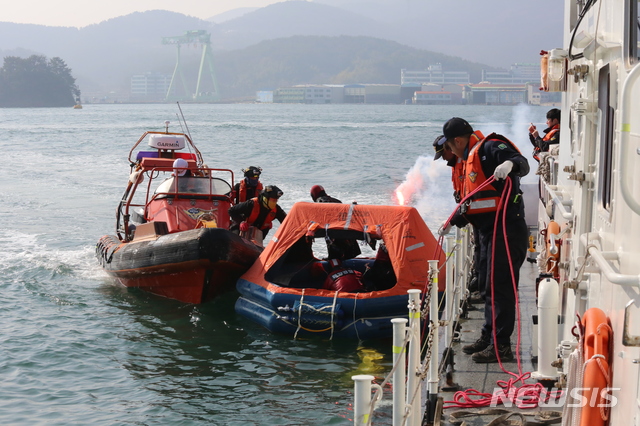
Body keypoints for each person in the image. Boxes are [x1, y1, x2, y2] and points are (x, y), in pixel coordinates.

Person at [438, 117, 529, 363]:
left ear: (457, 141)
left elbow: (523, 163)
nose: (451, 151)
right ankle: (488, 336)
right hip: (488, 231)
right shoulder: (469, 157)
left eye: (450, 145)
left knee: (501, 287)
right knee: (487, 286)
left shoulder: (490, 147)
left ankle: (501, 347)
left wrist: (509, 163)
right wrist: (453, 221)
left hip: (506, 229)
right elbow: (475, 201)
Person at [433, 135, 482, 304]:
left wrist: (452, 222)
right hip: (469, 213)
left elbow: (471, 195)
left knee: (483, 249)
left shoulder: (466, 161)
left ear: (450, 148)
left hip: (477, 213)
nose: (444, 158)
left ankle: (483, 288)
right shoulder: (456, 163)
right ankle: (479, 282)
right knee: (479, 247)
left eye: (444, 153)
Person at [310, 184, 361, 259]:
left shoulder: (319, 202)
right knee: (349, 258)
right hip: (347, 235)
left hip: (335, 236)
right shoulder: (337, 201)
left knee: (335, 259)